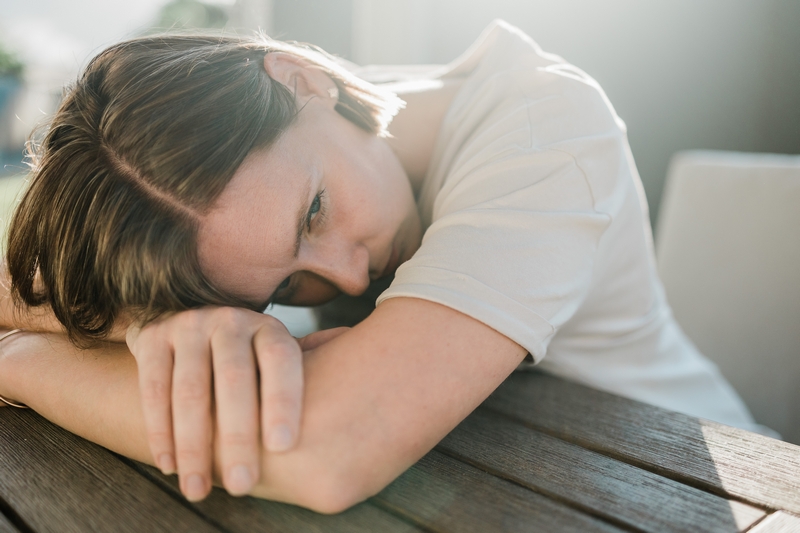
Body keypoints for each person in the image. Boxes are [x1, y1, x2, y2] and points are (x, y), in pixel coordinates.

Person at [0, 20, 761, 513]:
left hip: (693, 488)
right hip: (518, 485)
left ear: (302, 79)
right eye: (280, 288)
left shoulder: (546, 134)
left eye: (315, 211)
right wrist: (156, 321)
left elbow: (327, 453)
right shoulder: (315, 133)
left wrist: (21, 362)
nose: (348, 278)